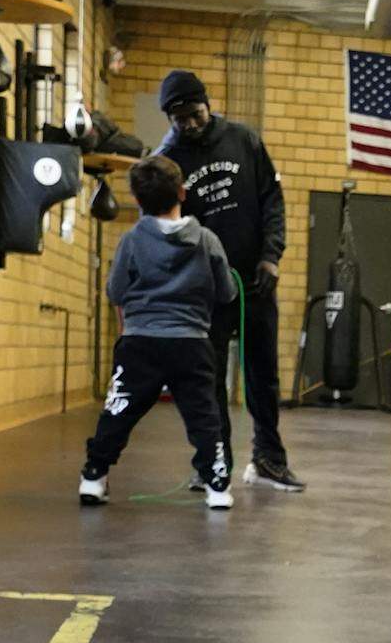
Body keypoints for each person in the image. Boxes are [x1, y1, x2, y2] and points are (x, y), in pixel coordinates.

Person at [156, 70, 306, 494]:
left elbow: (272, 201)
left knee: (263, 375)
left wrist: (271, 257)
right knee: (207, 380)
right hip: (206, 291)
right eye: (179, 118)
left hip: (255, 280)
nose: (189, 124)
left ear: (208, 104)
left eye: (195, 113)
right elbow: (163, 226)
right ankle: (213, 463)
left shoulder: (244, 140)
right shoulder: (168, 160)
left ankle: (269, 461)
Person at [79, 155, 237, 511]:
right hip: (191, 344)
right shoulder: (208, 241)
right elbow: (227, 292)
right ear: (182, 192)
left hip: (140, 344)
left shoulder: (132, 241)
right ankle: (217, 486)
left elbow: (115, 292)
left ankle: (93, 476)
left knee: (118, 411)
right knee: (203, 416)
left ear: (136, 200)